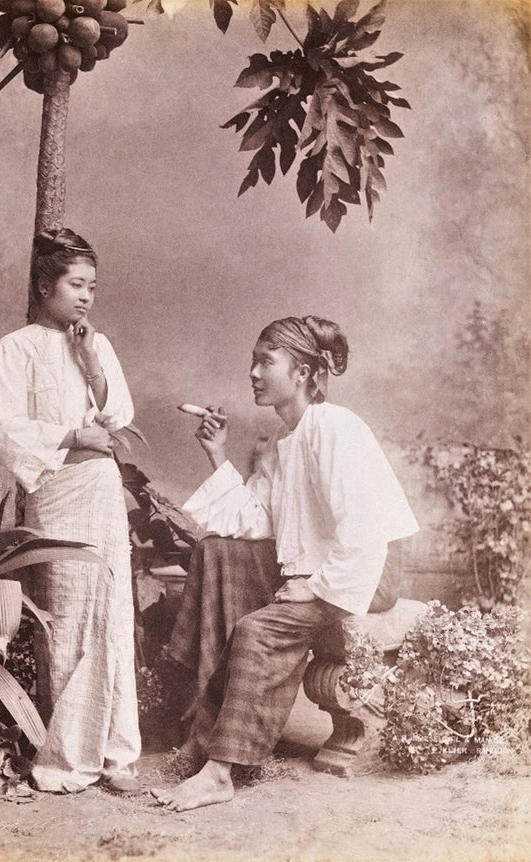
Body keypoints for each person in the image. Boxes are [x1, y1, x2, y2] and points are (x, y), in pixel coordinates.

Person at [151, 315, 419, 811]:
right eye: (253, 360)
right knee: (215, 553)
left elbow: (363, 533)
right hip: (319, 564)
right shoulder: (282, 440)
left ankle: (221, 771)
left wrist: (314, 589)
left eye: (265, 361)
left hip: (366, 571)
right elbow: (254, 521)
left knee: (258, 630)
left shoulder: (337, 428)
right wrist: (217, 453)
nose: (253, 371)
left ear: (301, 373)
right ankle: (203, 732)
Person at [0, 228, 141, 794]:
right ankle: (72, 751)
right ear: (45, 284)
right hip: (56, 489)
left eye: (92, 287)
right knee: (70, 617)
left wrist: (86, 358)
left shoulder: (96, 345)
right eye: (75, 284)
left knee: (112, 610)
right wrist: (75, 433)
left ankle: (118, 751)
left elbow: (117, 415)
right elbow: (6, 427)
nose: (86, 297)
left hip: (99, 489)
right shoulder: (17, 346)